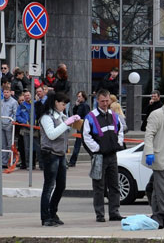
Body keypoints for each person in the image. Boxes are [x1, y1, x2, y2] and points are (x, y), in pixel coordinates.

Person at [83, 89, 124, 222]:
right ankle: (100, 214)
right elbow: (86, 136)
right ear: (97, 101)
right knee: (99, 187)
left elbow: (121, 131)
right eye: (102, 101)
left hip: (112, 155)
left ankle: (114, 212)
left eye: (107, 101)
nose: (105, 104)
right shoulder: (91, 116)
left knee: (114, 185)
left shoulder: (114, 115)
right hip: (99, 156)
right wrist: (97, 149)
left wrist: (118, 143)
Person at [39, 91, 80, 227]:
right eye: (63, 104)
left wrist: (74, 122)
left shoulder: (61, 116)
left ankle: (53, 212)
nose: (64, 107)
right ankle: (45, 217)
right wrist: (66, 123)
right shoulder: (46, 117)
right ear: (55, 102)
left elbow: (67, 130)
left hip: (60, 154)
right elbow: (51, 135)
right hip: (50, 154)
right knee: (49, 186)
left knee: (61, 186)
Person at [68, 91, 91, 167]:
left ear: (83, 97)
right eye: (78, 96)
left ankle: (72, 161)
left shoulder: (85, 106)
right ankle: (72, 161)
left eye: (80, 96)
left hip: (83, 127)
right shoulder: (80, 105)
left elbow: (86, 116)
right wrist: (76, 106)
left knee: (81, 144)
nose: (78, 98)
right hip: (80, 127)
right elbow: (75, 114)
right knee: (77, 144)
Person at [0, 86, 18, 168]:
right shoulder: (1, 102)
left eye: (7, 92)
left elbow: (15, 114)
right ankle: (3, 162)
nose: (6, 94)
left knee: (10, 144)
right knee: (3, 144)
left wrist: (11, 123)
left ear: (10, 92)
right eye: (4, 92)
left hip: (9, 125)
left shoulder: (14, 102)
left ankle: (11, 160)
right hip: (1, 124)